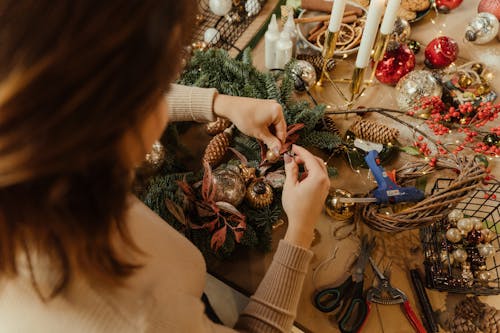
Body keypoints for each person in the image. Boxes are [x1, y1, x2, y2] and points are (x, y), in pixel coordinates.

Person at [0, 1, 330, 332]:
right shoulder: (136, 316)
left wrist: (221, 104)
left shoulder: (36, 151)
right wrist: (299, 233)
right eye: (161, 84)